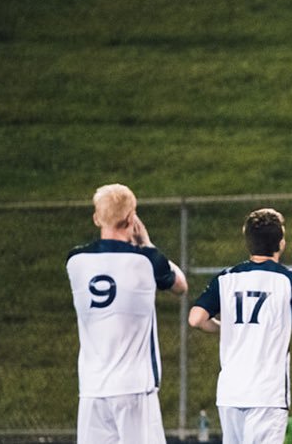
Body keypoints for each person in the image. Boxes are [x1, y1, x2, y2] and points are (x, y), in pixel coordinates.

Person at [68, 184, 188, 443]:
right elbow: (180, 285)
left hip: (91, 388)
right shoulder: (145, 260)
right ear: (132, 218)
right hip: (134, 387)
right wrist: (147, 243)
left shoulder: (75, 261)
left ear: (97, 218)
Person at [189, 209, 292, 443]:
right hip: (267, 393)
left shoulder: (227, 277)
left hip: (230, 392)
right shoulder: (290, 279)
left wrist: (223, 327)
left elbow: (196, 318)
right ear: (281, 243)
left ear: (248, 241)